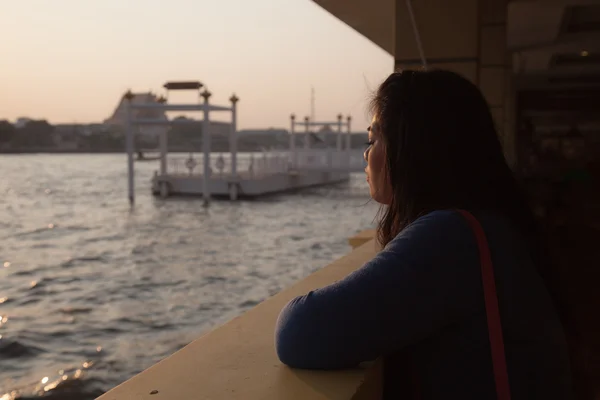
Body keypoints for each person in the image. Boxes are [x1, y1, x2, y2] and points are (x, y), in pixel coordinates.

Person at [275, 69, 574, 399]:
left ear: (413, 149)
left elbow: (300, 332)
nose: (366, 154)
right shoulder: (492, 223)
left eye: (373, 140)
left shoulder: (450, 238)